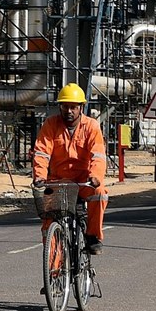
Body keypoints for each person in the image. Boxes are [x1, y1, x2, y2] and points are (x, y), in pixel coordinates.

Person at [32, 83, 109, 255]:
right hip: (58, 182)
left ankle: (92, 236)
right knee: (48, 220)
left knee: (100, 193)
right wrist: (40, 176)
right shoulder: (51, 124)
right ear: (60, 106)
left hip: (83, 181)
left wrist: (95, 176)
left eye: (73, 107)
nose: (69, 111)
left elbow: (98, 155)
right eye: (65, 106)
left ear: (81, 107)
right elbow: (41, 153)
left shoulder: (91, 126)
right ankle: (55, 265)